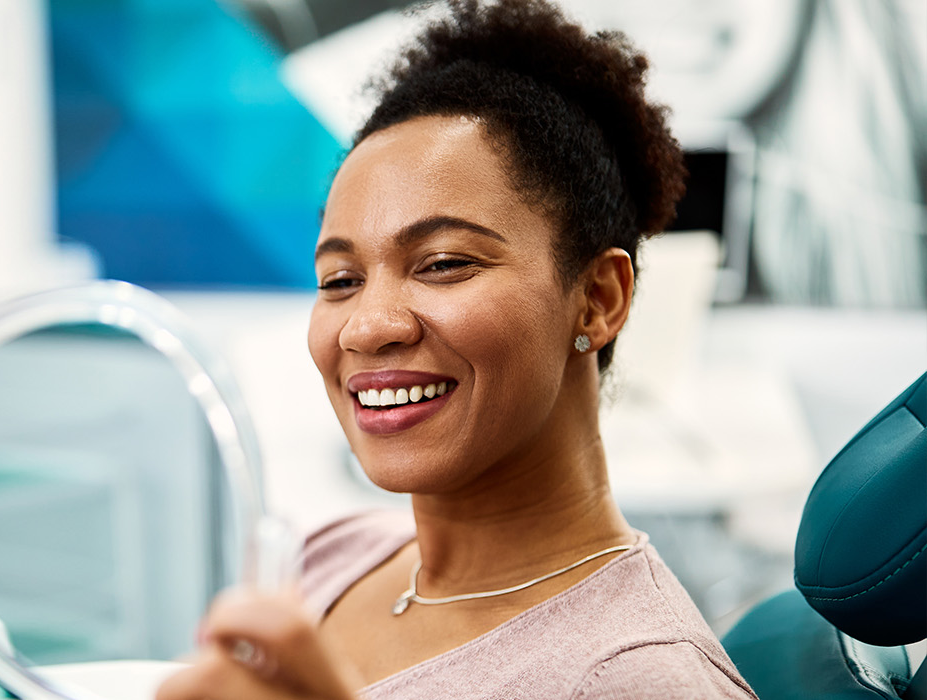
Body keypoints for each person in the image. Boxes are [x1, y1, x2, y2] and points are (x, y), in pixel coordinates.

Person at [158, 1, 756, 698]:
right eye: (340, 280)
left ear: (598, 298)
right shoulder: (330, 559)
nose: (366, 327)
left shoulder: (640, 677)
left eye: (442, 263)